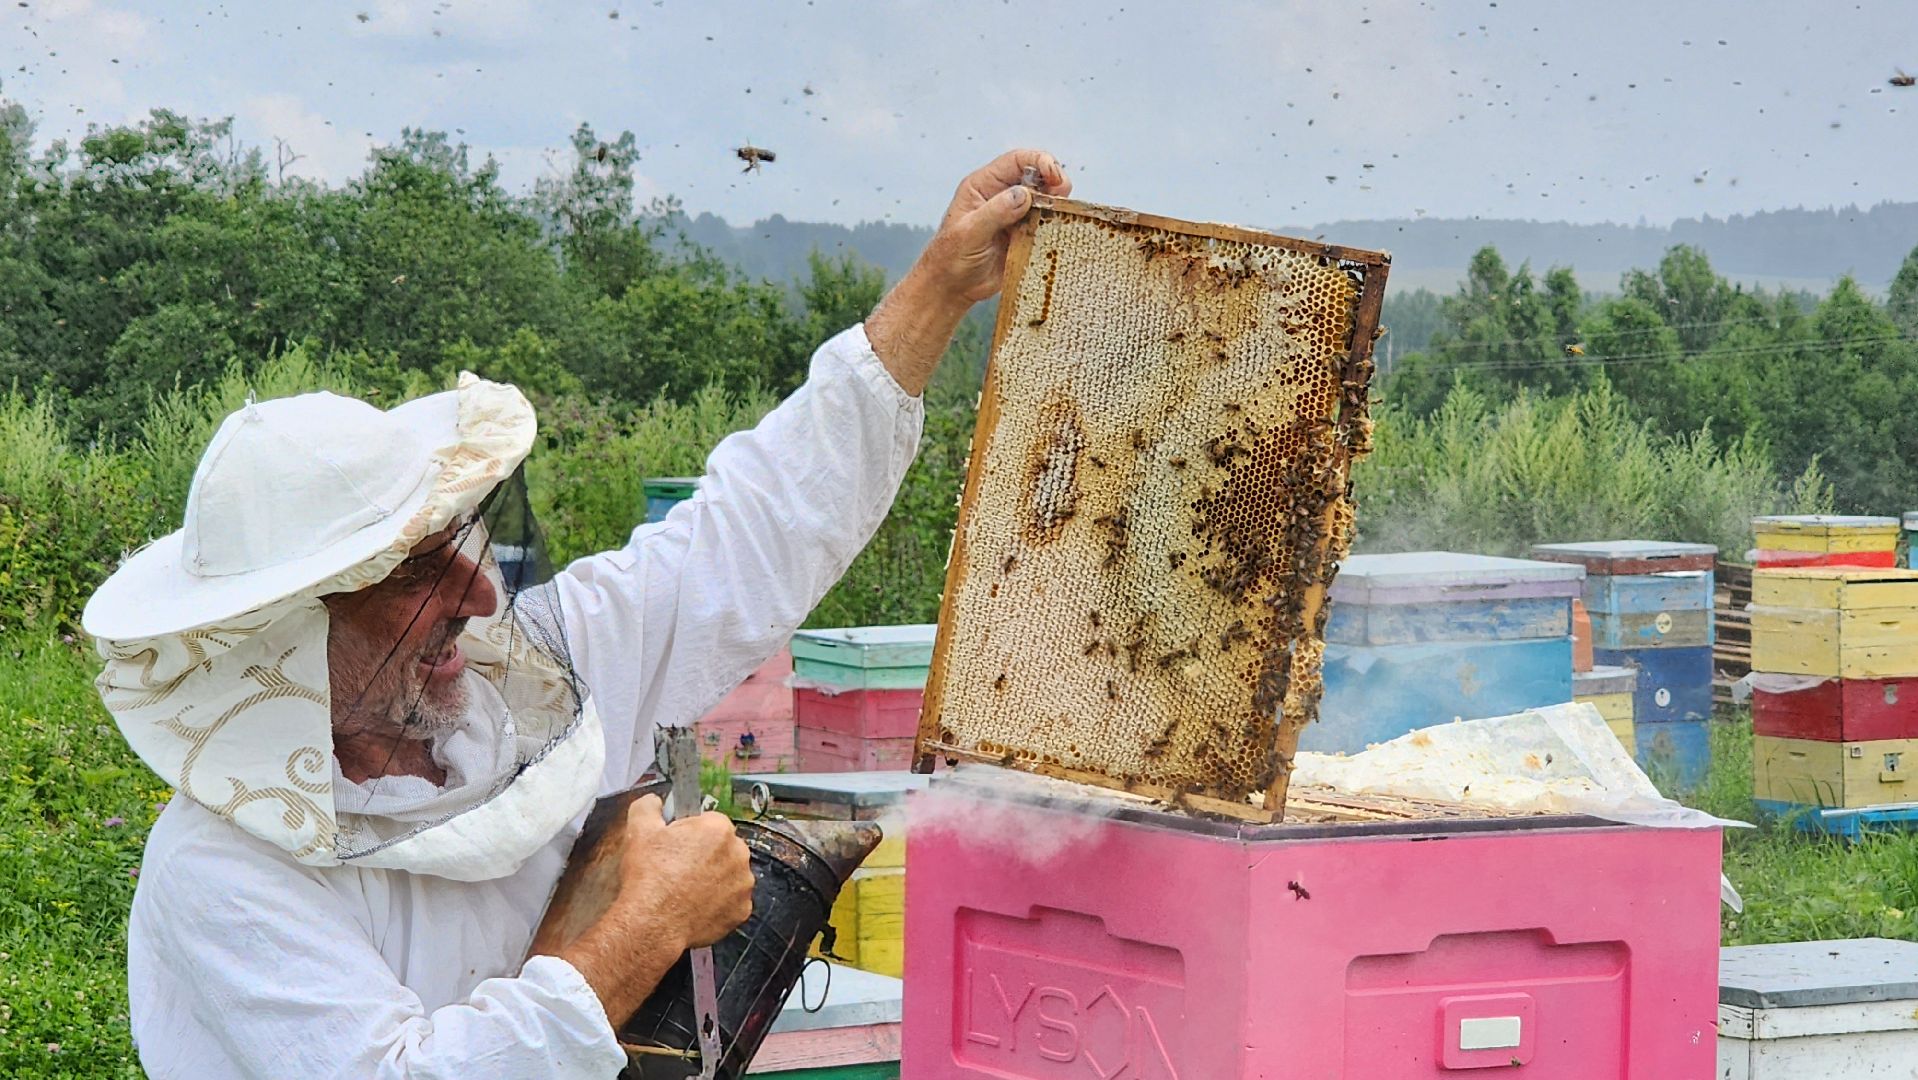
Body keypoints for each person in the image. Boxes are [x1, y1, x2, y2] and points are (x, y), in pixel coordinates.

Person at [81, 149, 1070, 1078]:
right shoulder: (223, 871)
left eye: (462, 543)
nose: (476, 596)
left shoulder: (535, 673)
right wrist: (646, 928)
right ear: (293, 633)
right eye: (415, 577)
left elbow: (747, 532)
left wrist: (936, 292)